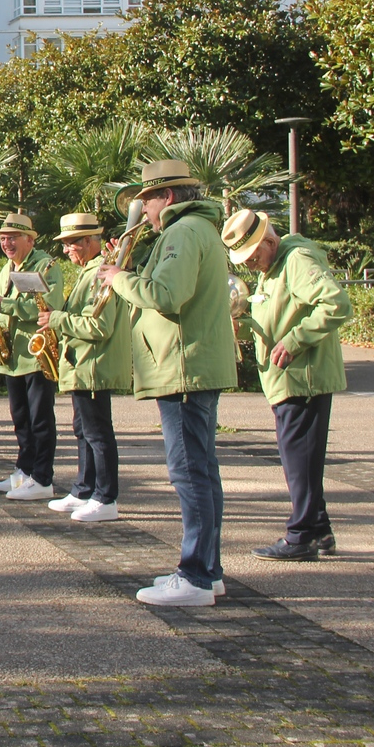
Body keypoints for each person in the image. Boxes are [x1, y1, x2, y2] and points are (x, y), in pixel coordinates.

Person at [97, 159, 237, 607]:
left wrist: (119, 277)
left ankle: (195, 576)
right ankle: (207, 571)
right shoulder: (196, 230)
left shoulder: (182, 232)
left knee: (189, 473)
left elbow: (166, 295)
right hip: (190, 364)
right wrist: (129, 266)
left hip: (182, 367)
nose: (144, 210)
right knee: (202, 471)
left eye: (147, 201)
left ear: (168, 197)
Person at [223, 209, 350, 561]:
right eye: (245, 261)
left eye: (253, 256)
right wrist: (245, 326)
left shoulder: (296, 260)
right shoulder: (275, 266)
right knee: (300, 461)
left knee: (300, 461)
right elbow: (279, 316)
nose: (252, 265)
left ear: (268, 240)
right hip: (288, 379)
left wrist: (295, 341)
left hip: (302, 379)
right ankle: (319, 529)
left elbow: (336, 304)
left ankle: (301, 536)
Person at [39, 214, 131, 523]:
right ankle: (84, 490)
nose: (66, 250)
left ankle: (105, 498)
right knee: (84, 431)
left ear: (89, 242)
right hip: (83, 366)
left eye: (70, 244)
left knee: (97, 434)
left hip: (93, 366)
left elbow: (99, 326)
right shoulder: (91, 270)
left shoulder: (100, 272)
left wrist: (56, 319)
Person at [0, 213, 65, 500]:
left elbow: (48, 309)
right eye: (3, 238)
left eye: (12, 238)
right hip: (13, 356)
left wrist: (5, 306)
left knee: (40, 419)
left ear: (30, 239)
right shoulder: (7, 268)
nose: (6, 243)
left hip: (35, 354)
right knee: (20, 419)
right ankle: (24, 471)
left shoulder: (46, 266)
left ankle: (42, 478)